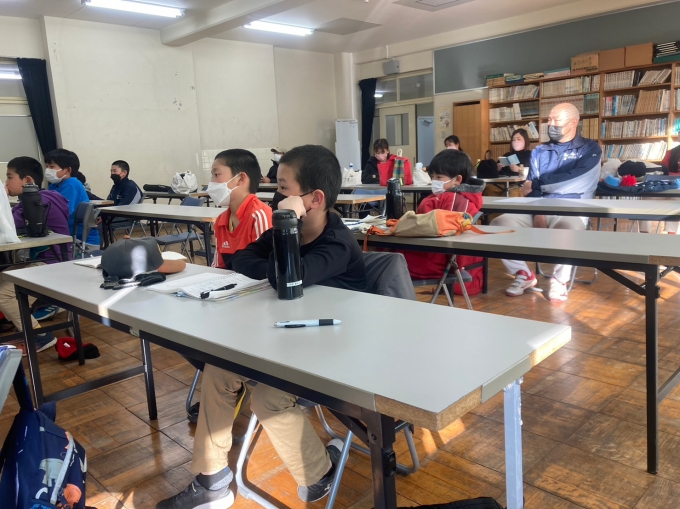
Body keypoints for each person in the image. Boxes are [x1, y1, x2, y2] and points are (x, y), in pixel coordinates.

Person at [157, 145, 366, 509]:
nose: (275, 198)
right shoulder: (289, 231)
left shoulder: (337, 244)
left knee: (269, 398)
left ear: (314, 199)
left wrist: (283, 237)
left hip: (333, 345)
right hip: (286, 334)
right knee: (218, 370)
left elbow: (288, 281)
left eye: (283, 189)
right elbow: (243, 258)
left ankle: (318, 473)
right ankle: (211, 480)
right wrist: (275, 264)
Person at [491, 103, 601, 303]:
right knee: (498, 224)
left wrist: (538, 185)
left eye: (556, 120)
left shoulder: (589, 148)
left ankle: (559, 280)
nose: (550, 124)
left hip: (572, 208)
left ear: (573, 123)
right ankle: (523, 274)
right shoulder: (540, 151)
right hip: (538, 207)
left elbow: (578, 181)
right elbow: (528, 190)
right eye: (549, 120)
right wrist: (539, 210)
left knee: (568, 229)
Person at [0, 156, 71, 352]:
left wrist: (2, 200)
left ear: (28, 180)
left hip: (53, 265)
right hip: (45, 260)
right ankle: (24, 327)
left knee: (3, 295)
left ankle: (40, 336)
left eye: (9, 177)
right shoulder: (34, 199)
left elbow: (7, 226)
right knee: (2, 279)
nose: (6, 183)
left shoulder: (37, 202)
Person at [402, 150, 486, 292]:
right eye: (432, 176)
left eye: (439, 177)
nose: (434, 181)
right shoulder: (447, 196)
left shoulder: (455, 200)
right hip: (431, 253)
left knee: (388, 261)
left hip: (435, 260)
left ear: (457, 180)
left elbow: (441, 234)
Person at [208, 149, 273, 269]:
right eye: (212, 175)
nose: (212, 181)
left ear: (241, 179)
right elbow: (218, 267)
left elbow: (267, 269)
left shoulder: (259, 216)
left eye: (216, 175)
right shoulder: (221, 221)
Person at [45, 149, 100, 247]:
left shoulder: (71, 184)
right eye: (47, 167)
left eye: (52, 167)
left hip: (81, 241)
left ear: (68, 170)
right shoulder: (53, 186)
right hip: (66, 236)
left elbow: (60, 213)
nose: (48, 170)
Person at [640, 145, 680, 234]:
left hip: (677, 190)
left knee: (676, 200)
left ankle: (671, 234)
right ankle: (644, 233)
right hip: (665, 184)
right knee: (648, 198)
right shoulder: (671, 152)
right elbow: (663, 170)